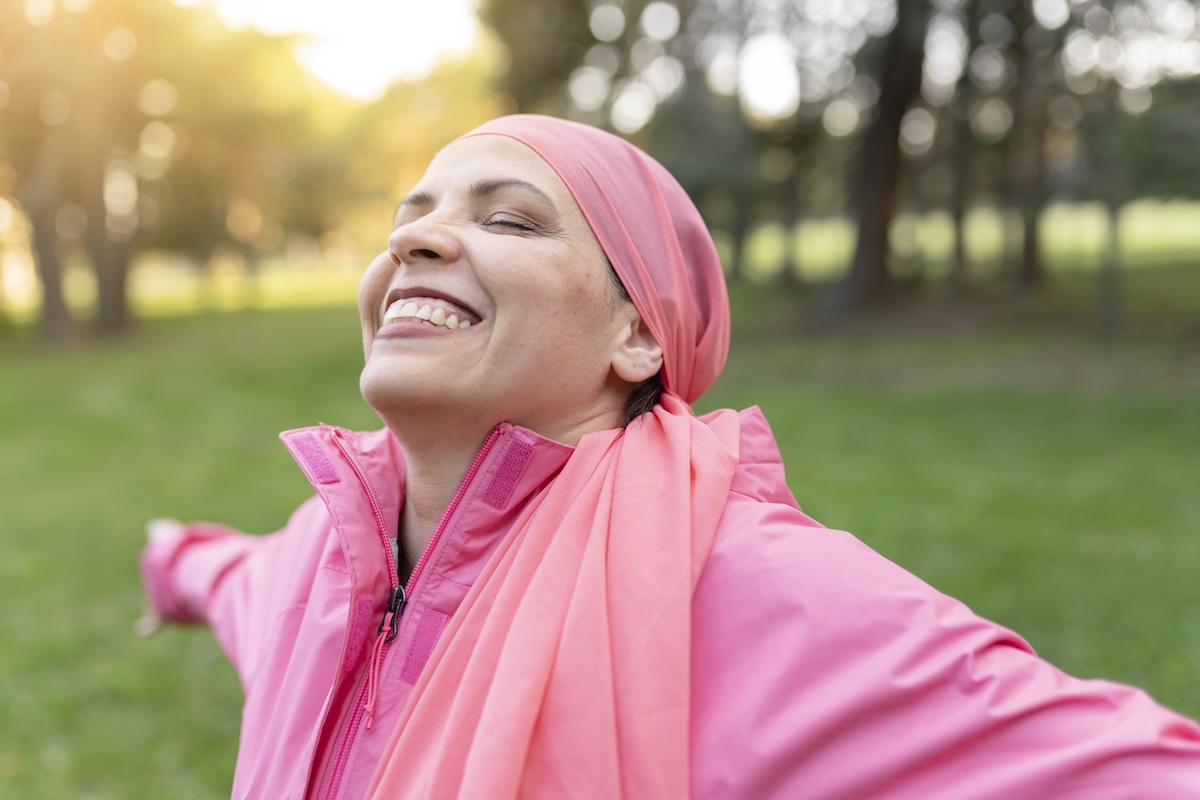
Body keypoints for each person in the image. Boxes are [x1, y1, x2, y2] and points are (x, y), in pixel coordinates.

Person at [138, 114, 1200, 799]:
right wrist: (173, 560)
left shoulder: (741, 587)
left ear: (638, 334)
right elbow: (228, 577)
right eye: (409, 217)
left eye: (508, 217)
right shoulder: (320, 559)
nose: (416, 239)